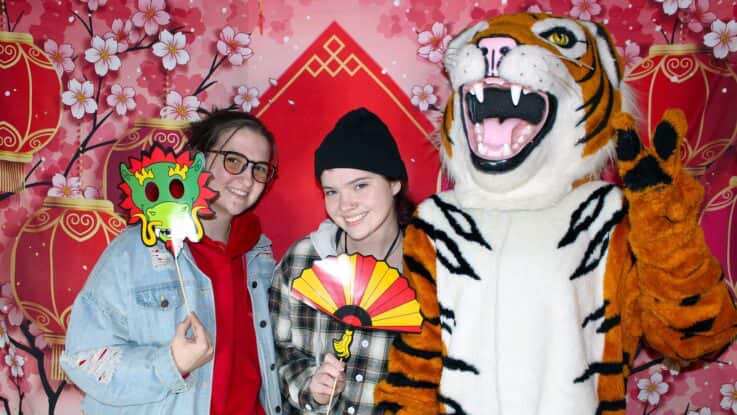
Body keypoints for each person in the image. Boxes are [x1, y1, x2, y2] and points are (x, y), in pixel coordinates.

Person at [61, 109, 283, 414]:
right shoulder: (136, 250)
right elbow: (84, 359)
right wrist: (170, 365)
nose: (247, 178)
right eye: (234, 161)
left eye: (259, 168)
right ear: (198, 160)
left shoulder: (261, 258)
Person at [270, 107, 414, 414]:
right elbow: (279, 351)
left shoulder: (429, 268)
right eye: (331, 191)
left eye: (360, 185)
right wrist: (311, 386)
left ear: (394, 183)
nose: (345, 204)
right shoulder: (303, 261)